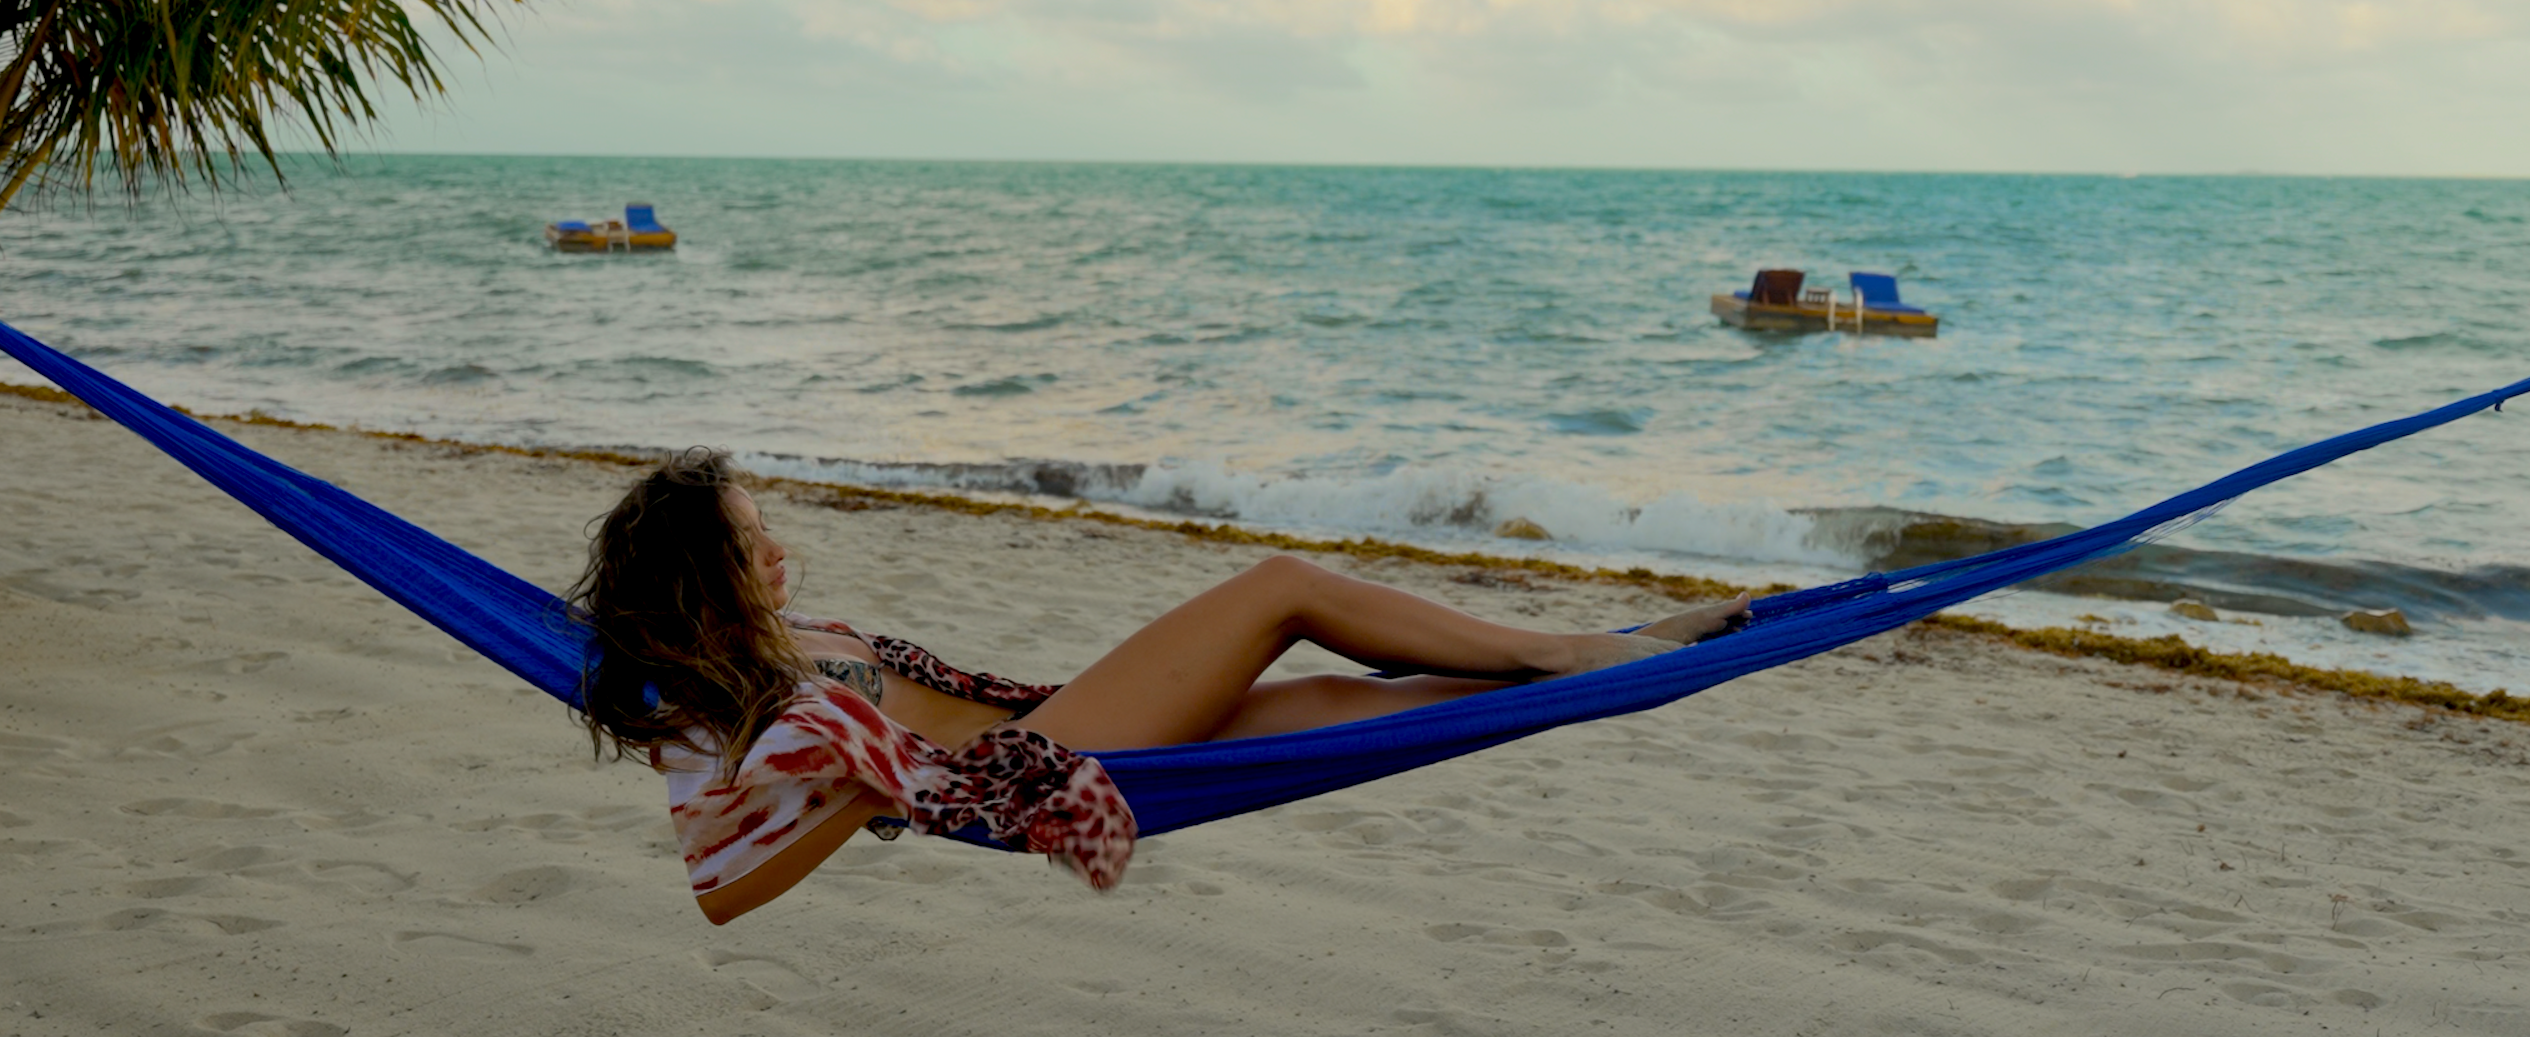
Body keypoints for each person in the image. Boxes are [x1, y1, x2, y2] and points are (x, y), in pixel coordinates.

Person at [570, 449, 1751, 923]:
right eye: (751, 544)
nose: (779, 551)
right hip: (1039, 763)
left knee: (1355, 705)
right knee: (1282, 589)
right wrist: (871, 786)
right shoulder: (710, 702)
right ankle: (1570, 652)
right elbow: (720, 888)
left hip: (1054, 720)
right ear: (701, 578)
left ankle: (1602, 655)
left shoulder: (778, 640)